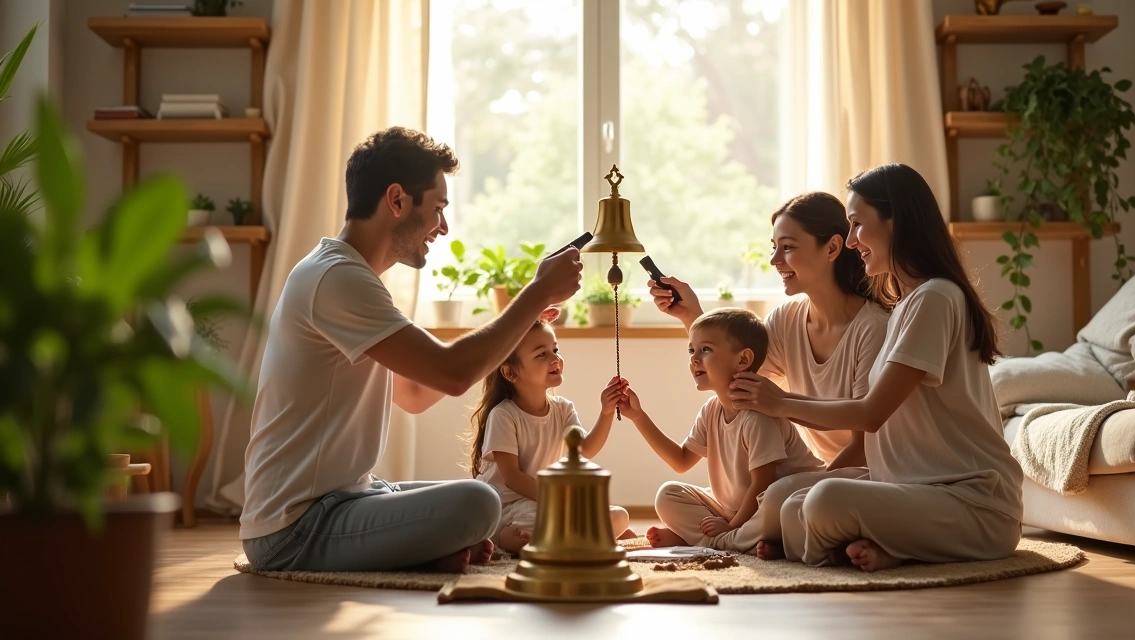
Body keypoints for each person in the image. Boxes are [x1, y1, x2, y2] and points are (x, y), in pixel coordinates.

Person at [239, 127, 583, 573]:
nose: (443, 227)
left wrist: (515, 329)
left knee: (486, 501)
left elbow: (415, 395)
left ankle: (433, 548)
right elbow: (452, 375)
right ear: (397, 200)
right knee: (479, 502)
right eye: (438, 209)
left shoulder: (353, 279)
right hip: (295, 526)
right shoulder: (337, 279)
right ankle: (434, 545)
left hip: (349, 497)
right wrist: (535, 294)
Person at [730, 163, 1023, 571]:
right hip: (906, 487)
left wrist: (781, 404)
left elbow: (870, 414)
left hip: (971, 502)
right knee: (782, 497)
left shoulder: (935, 298)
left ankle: (880, 545)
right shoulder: (908, 303)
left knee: (823, 502)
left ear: (895, 222)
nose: (851, 241)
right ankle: (889, 546)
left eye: (857, 225)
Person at [650, 192, 890, 556]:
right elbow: (734, 378)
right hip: (809, 480)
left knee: (779, 494)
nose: (775, 260)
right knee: (676, 495)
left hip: (859, 476)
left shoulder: (872, 328)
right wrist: (692, 315)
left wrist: (810, 494)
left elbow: (862, 446)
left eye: (788, 248)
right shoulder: (786, 319)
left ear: (832, 248)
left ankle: (728, 541)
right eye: (774, 247)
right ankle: (748, 537)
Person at [618, 308, 823, 551]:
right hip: (732, 509)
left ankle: (720, 540)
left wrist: (732, 525)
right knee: (668, 495)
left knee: (776, 499)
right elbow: (681, 461)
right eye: (691, 350)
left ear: (743, 360)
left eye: (705, 350)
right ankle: (738, 541)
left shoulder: (757, 415)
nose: (694, 359)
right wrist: (638, 417)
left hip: (778, 503)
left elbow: (762, 485)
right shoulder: (711, 410)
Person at [468, 319, 634, 554]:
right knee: (519, 528)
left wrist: (606, 413)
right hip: (509, 508)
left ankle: (559, 539)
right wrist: (558, 500)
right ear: (510, 372)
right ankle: (577, 537)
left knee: (620, 516)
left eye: (555, 350)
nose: (555, 358)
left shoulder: (563, 409)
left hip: (551, 504)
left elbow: (584, 450)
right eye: (541, 354)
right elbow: (512, 477)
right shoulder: (504, 414)